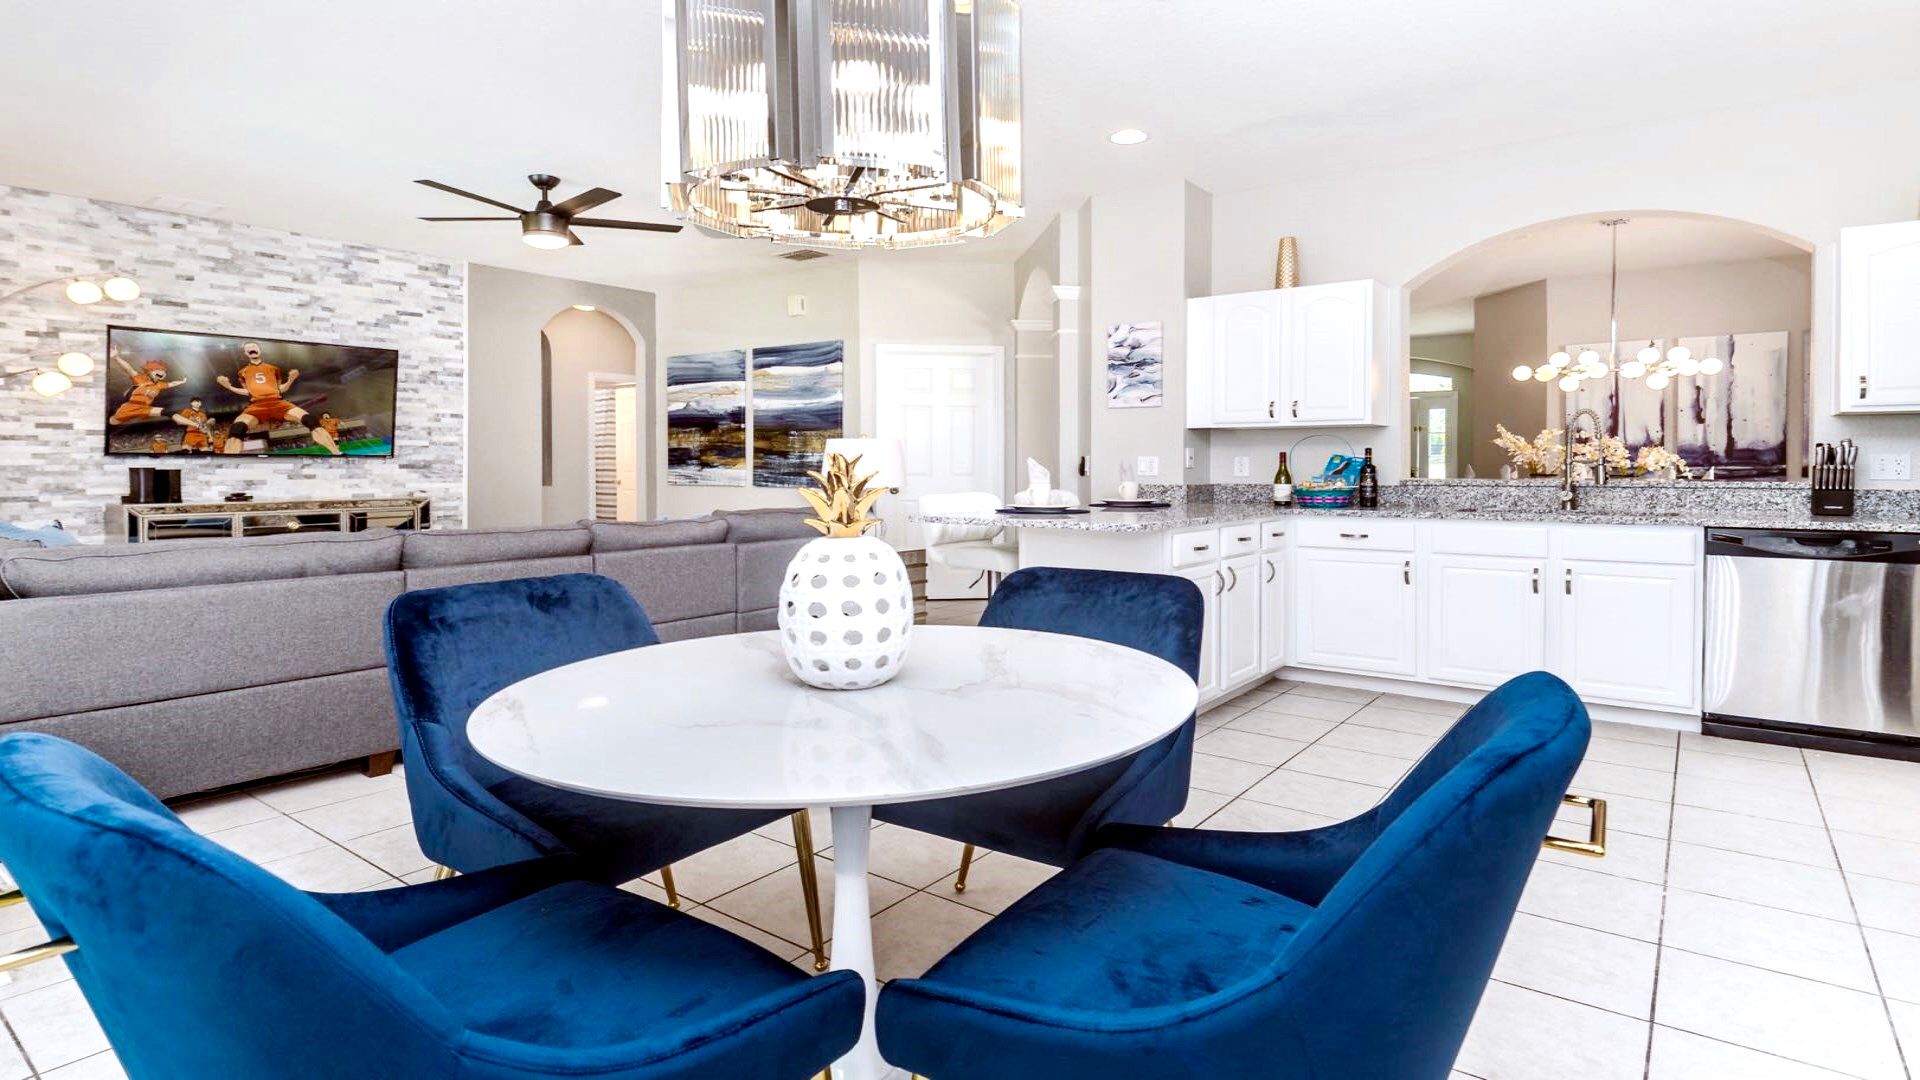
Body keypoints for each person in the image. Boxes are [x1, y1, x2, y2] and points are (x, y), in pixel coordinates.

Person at [216, 341, 339, 455]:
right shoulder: (242, 372)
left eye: (254, 347)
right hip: (256, 406)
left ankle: (336, 453)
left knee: (311, 420)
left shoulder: (273, 369)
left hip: (278, 403)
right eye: (248, 348)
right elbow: (248, 391)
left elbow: (281, 389)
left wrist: (291, 379)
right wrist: (229, 387)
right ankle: (230, 462)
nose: (252, 349)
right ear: (245, 353)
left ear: (259, 350)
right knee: (236, 429)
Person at [108, 352, 186, 426]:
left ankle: (186, 422)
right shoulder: (141, 379)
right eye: (159, 370)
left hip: (144, 408)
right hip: (131, 407)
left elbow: (172, 383)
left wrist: (182, 382)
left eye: (164, 372)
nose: (162, 373)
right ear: (150, 371)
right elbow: (129, 369)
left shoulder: (160, 385)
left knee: (167, 412)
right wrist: (116, 357)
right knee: (113, 422)